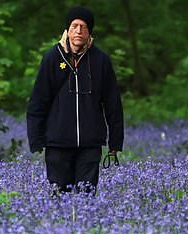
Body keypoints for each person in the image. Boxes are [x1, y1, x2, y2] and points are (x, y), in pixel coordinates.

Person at [26, 6, 124, 193]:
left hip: (90, 143)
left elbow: (113, 104)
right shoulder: (53, 58)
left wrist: (115, 142)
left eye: (84, 27)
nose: (78, 31)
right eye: (74, 26)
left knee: (86, 197)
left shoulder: (100, 60)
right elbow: (38, 101)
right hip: (57, 142)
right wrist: (36, 139)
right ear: (67, 30)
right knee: (58, 197)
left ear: (90, 32)